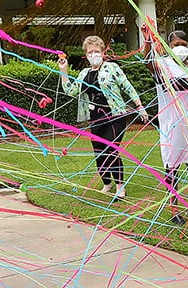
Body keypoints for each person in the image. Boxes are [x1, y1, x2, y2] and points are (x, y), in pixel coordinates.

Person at [56, 35, 147, 202]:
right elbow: (71, 91)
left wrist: (139, 106)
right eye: (90, 52)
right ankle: (107, 183)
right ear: (86, 54)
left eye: (96, 51)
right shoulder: (84, 73)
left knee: (112, 150)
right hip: (96, 118)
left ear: (103, 52)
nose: (93, 54)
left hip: (115, 115)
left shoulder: (112, 68)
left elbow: (127, 86)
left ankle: (120, 186)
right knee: (99, 152)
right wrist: (64, 71)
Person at [139, 26, 188, 223]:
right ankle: (173, 207)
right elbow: (148, 63)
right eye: (176, 45)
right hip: (173, 124)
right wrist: (149, 41)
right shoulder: (163, 65)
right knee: (172, 165)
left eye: (184, 45)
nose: (181, 48)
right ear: (169, 46)